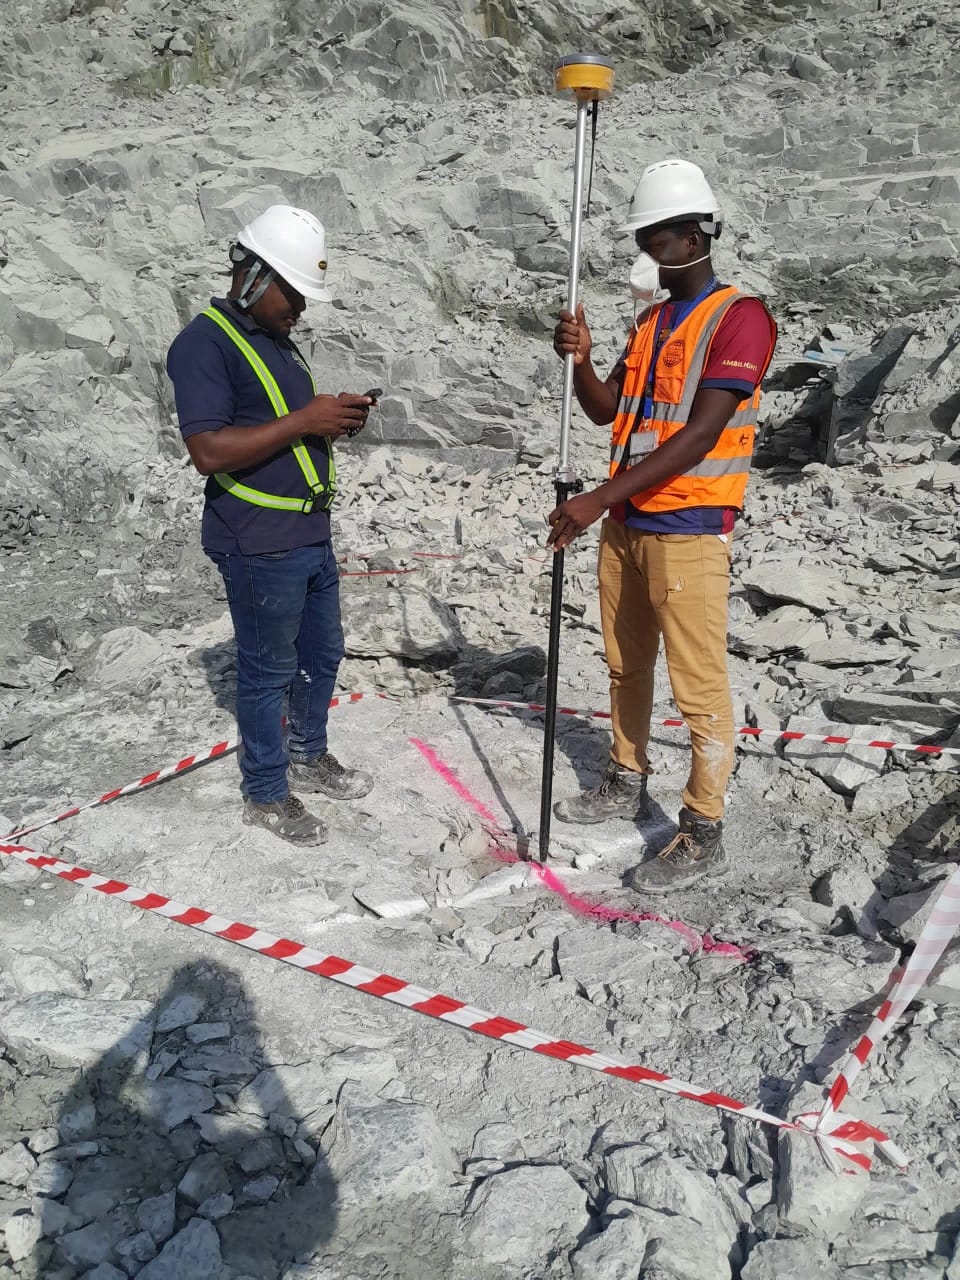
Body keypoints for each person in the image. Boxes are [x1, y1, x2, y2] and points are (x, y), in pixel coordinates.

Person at [547, 159, 777, 892]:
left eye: (657, 239)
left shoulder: (740, 317)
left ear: (695, 237)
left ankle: (703, 827)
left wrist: (593, 499)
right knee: (626, 662)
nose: (646, 251)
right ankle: (626, 774)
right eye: (643, 239)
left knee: (698, 686)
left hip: (689, 525)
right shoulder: (649, 322)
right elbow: (606, 410)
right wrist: (582, 361)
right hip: (628, 522)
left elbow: (699, 435)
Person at [166, 204, 375, 846]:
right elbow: (208, 451)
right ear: (255, 277)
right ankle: (265, 791)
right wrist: (307, 421)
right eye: (294, 292)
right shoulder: (203, 344)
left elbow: (278, 429)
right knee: (266, 671)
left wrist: (331, 420)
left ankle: (308, 754)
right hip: (257, 541)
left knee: (322, 652)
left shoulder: (274, 341)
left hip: (307, 534)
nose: (302, 307)